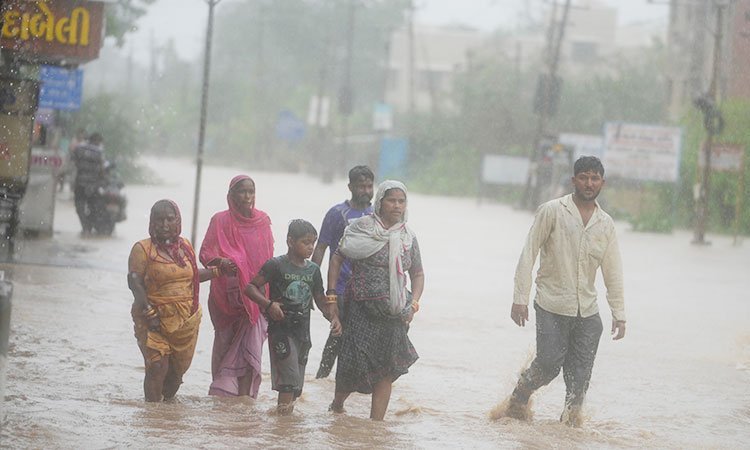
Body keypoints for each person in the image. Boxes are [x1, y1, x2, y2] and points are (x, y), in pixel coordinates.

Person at [505, 156, 626, 426]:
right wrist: (519, 299)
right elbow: (529, 253)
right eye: (583, 177)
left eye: (595, 178)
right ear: (574, 180)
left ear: (602, 183)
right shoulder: (552, 211)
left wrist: (619, 313)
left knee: (580, 378)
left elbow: (613, 271)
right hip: (551, 303)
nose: (589, 183)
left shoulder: (605, 223)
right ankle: (520, 394)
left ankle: (568, 429)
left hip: (588, 311)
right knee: (548, 363)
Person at [327, 180, 425, 421]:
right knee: (352, 366)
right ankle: (337, 405)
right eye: (391, 200)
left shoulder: (407, 237)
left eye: (401, 201)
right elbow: (338, 258)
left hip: (394, 315)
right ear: (380, 202)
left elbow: (418, 273)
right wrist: (331, 295)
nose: (396, 205)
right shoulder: (361, 228)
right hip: (361, 310)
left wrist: (414, 304)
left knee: (387, 371)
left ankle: (376, 426)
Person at [128, 200, 230, 402]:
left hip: (185, 323)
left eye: (170, 219)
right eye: (159, 219)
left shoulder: (185, 247)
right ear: (152, 222)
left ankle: (166, 420)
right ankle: (152, 416)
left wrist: (218, 271)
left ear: (178, 221)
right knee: (157, 366)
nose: (164, 224)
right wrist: (149, 312)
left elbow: (191, 276)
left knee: (174, 377)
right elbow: (134, 282)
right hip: (153, 320)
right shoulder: (143, 249)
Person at [245, 220, 342, 414]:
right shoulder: (276, 265)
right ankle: (283, 428)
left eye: (313, 242)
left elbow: (320, 299)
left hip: (302, 334)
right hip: (281, 331)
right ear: (290, 241)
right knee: (287, 383)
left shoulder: (313, 270)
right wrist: (269, 304)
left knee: (296, 386)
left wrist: (334, 318)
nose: (310, 247)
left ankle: (285, 422)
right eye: (305, 242)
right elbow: (250, 287)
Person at [199, 175, 274, 398]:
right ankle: (221, 398)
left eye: (251, 192)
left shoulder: (262, 222)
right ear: (231, 195)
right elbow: (205, 253)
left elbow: (268, 260)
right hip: (226, 299)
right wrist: (221, 262)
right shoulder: (219, 221)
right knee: (224, 347)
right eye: (242, 192)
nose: (247, 196)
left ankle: (245, 402)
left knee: (250, 351)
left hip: (255, 298)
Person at [313, 165, 374, 378]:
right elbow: (320, 248)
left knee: (364, 338)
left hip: (367, 289)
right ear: (350, 187)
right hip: (339, 287)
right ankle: (322, 379)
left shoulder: (376, 214)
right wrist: (313, 285)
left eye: (369, 186)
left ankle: (355, 383)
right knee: (338, 335)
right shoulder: (337, 214)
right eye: (361, 186)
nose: (366, 191)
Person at [71, 132, 105, 234]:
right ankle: (90, 227)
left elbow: (72, 164)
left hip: (80, 183)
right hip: (93, 185)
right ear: (97, 141)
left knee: (79, 206)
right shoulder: (99, 152)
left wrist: (72, 181)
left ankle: (85, 227)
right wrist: (103, 178)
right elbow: (102, 168)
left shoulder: (79, 148)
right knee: (93, 207)